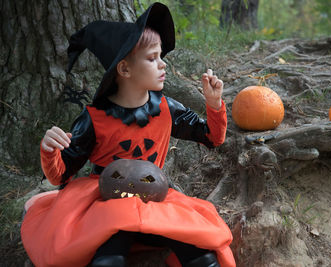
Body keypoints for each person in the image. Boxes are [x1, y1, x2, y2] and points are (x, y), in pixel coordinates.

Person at [21, 2, 235, 267]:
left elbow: (212, 137)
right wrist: (50, 149)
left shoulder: (167, 109)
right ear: (124, 69)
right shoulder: (95, 117)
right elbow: (60, 175)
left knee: (201, 255)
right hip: (104, 199)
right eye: (152, 58)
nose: (162, 64)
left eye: (161, 56)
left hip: (154, 195)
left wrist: (214, 106)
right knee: (108, 260)